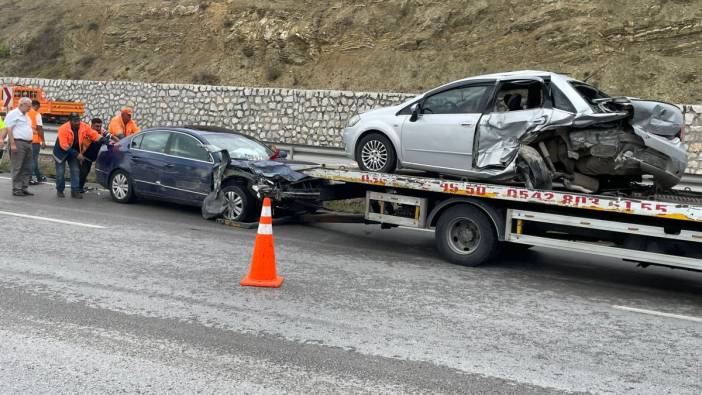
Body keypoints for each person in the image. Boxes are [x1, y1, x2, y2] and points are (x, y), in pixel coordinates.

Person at [54, 113, 91, 199]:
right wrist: (77, 154)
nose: (77, 123)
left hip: (73, 152)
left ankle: (75, 191)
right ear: (70, 121)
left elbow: (93, 134)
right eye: (75, 121)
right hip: (61, 153)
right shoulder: (63, 128)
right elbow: (64, 145)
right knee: (60, 172)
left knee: (75, 170)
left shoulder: (83, 126)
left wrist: (102, 139)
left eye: (78, 120)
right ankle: (60, 190)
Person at [3, 97, 35, 196]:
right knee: (18, 167)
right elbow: (9, 129)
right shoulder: (13, 114)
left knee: (27, 167)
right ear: (22, 105)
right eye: (28, 106)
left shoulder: (26, 115)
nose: (30, 108)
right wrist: (12, 144)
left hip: (28, 143)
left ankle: (24, 187)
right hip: (18, 142)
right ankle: (17, 189)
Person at [78, 118, 117, 193]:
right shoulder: (87, 132)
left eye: (100, 126)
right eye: (97, 126)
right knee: (83, 172)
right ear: (92, 125)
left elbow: (111, 136)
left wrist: (120, 142)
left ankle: (79, 187)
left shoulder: (102, 131)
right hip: (83, 155)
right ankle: (78, 188)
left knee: (85, 172)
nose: (99, 128)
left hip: (91, 157)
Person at [28, 99, 46, 184]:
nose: (38, 109)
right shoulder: (37, 114)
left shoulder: (25, 113)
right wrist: (43, 141)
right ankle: (30, 178)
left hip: (25, 140)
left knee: (29, 160)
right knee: (33, 160)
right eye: (38, 107)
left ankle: (38, 176)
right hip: (34, 140)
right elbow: (40, 128)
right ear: (35, 106)